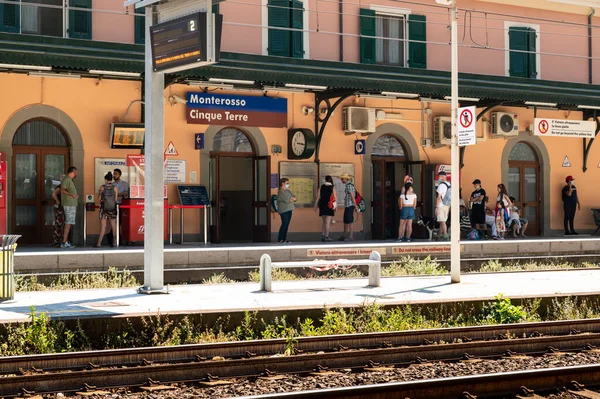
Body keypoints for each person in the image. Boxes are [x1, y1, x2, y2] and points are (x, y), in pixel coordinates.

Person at [95, 172, 119, 248]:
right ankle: (115, 242)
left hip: (104, 209)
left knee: (103, 226)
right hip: (112, 209)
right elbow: (115, 199)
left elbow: (99, 198)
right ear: (111, 179)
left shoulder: (102, 187)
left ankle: (99, 243)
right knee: (113, 226)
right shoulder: (115, 188)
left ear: (105, 179)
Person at [60, 166, 79, 248]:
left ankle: (66, 241)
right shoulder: (67, 179)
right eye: (76, 172)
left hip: (71, 204)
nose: (77, 174)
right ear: (73, 172)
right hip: (69, 204)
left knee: (69, 223)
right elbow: (62, 190)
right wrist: (71, 194)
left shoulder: (69, 179)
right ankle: (64, 242)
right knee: (68, 223)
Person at [314, 175, 336, 242]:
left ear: (325, 180)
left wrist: (315, 205)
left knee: (324, 221)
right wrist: (336, 206)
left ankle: (323, 236)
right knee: (327, 222)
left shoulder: (321, 187)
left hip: (322, 205)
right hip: (329, 205)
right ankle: (327, 236)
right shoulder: (333, 187)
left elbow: (318, 197)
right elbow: (335, 198)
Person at [338, 173, 359, 241]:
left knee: (350, 221)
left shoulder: (349, 186)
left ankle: (350, 236)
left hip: (350, 205)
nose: (341, 180)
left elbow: (352, 196)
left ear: (346, 179)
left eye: (342, 178)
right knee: (346, 220)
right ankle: (344, 235)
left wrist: (355, 206)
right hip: (348, 205)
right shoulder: (348, 186)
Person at [276, 177, 296, 244]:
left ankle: (284, 238)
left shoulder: (288, 191)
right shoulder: (281, 192)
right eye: (287, 183)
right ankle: (280, 239)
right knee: (284, 224)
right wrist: (291, 199)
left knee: (286, 224)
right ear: (282, 184)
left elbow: (294, 198)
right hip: (284, 211)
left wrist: (292, 198)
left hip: (289, 210)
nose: (288, 184)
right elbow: (289, 199)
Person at [435, 171, 450, 241]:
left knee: (442, 221)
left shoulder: (441, 185)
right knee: (442, 220)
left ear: (443, 176)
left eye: (439, 176)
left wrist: (436, 207)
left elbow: (438, 197)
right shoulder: (449, 184)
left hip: (441, 205)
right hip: (447, 205)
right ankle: (439, 235)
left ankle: (446, 236)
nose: (439, 178)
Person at [51, 176, 65, 248]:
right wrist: (57, 201)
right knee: (59, 225)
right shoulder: (60, 186)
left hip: (63, 207)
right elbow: (54, 194)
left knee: (61, 225)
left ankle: (60, 241)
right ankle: (56, 242)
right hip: (60, 208)